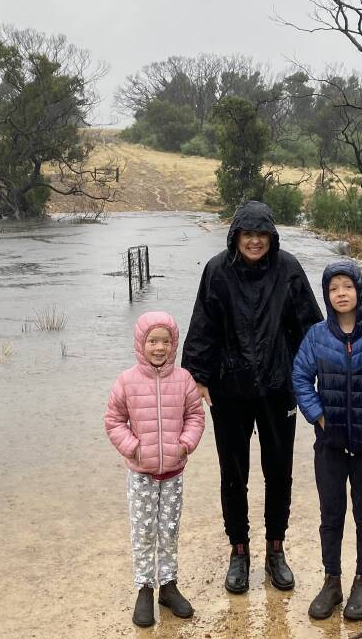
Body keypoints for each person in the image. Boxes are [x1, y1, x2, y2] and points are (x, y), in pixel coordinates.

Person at [182, 200, 323, 594]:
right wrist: (198, 376)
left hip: (280, 389)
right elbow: (202, 326)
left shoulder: (289, 269)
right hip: (229, 390)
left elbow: (310, 326)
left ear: (272, 237)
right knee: (234, 475)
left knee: (279, 472)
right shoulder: (216, 271)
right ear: (236, 236)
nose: (255, 241)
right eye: (248, 234)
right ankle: (239, 550)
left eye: (262, 234)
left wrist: (307, 376)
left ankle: (275, 549)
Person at [291, 260, 362, 621]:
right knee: (331, 516)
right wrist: (318, 416)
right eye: (333, 288)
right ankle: (332, 581)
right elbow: (300, 378)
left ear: (359, 291)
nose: (340, 293)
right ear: (326, 296)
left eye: (347, 286)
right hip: (330, 446)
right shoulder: (316, 336)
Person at [104, 311, 206, 628]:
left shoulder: (184, 380)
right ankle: (145, 589)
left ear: (173, 344)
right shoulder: (127, 381)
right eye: (152, 341)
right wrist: (134, 448)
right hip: (140, 474)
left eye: (165, 341)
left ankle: (169, 586)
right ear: (141, 343)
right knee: (144, 532)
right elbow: (113, 421)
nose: (159, 348)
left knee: (168, 530)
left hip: (173, 473)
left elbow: (195, 417)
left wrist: (184, 445)